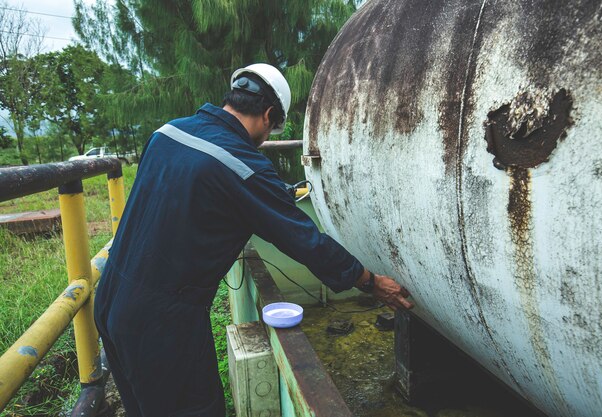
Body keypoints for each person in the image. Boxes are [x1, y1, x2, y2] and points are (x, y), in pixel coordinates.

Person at [94, 63, 414, 417]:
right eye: (274, 127)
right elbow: (305, 240)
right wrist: (368, 281)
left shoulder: (167, 133)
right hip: (162, 322)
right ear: (267, 115)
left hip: (111, 297)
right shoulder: (244, 166)